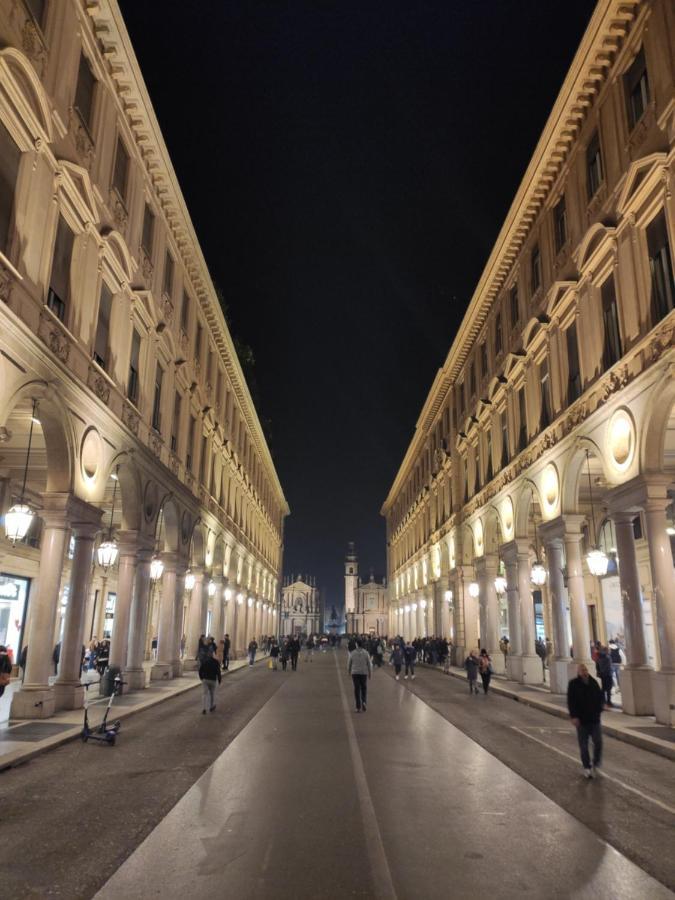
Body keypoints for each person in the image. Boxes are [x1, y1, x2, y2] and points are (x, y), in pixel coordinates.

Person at [567, 663, 604, 778]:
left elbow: (600, 697)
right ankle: (586, 767)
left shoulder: (593, 683)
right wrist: (574, 716)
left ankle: (596, 763)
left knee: (598, 742)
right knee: (583, 745)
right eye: (582, 670)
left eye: (585, 669)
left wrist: (600, 709)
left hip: (594, 719)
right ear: (578, 672)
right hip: (581, 720)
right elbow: (571, 702)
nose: (584, 671)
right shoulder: (573, 684)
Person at [348, 638, 373, 712]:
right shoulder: (366, 653)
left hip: (355, 673)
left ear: (356, 644)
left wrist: (349, 671)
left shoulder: (352, 653)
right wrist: (370, 673)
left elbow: (349, 663)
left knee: (357, 689)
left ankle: (358, 707)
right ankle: (364, 701)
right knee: (364, 688)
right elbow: (369, 664)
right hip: (363, 673)